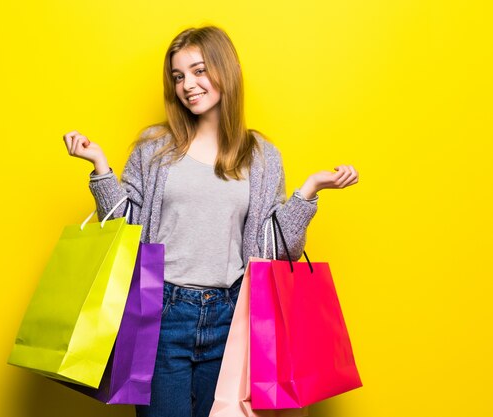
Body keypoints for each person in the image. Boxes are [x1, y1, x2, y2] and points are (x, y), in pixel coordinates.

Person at [63, 25, 358, 417]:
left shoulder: (263, 157)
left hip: (232, 316)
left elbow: (277, 249)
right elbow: (125, 226)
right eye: (179, 76)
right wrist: (100, 168)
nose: (188, 84)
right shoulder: (154, 149)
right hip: (162, 314)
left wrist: (308, 191)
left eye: (199, 71)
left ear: (225, 71)